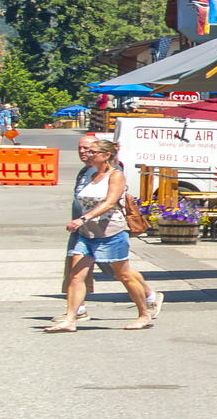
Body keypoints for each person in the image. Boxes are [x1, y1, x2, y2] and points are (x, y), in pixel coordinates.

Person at [48, 132, 153, 332]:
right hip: (87, 234)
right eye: (86, 151)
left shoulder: (116, 175)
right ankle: (70, 319)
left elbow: (110, 203)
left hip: (110, 233)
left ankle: (144, 313)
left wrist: (83, 218)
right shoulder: (88, 174)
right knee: (76, 276)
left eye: (92, 151)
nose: (87, 154)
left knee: (124, 275)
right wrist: (82, 222)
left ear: (105, 155)